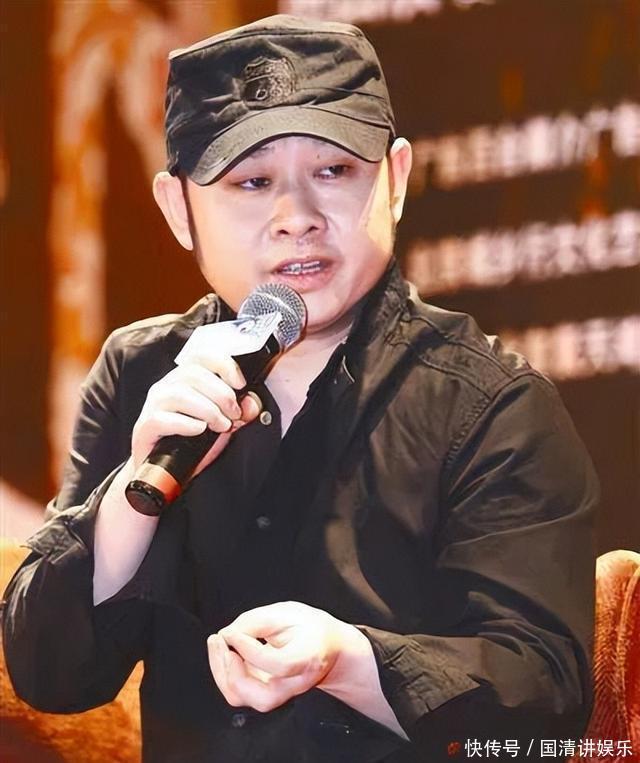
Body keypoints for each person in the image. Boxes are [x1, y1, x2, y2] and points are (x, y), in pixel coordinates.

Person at [2, 14, 598, 763]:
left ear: (396, 180)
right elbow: (49, 675)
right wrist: (130, 495)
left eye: (334, 172)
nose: (297, 220)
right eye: (252, 183)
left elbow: (546, 696)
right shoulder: (140, 371)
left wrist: (350, 661)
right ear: (177, 209)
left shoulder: (492, 404)